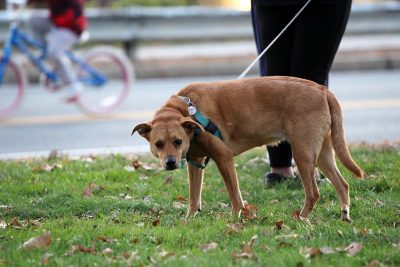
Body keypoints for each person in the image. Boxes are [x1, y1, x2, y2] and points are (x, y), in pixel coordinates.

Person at [250, 0, 352, 185]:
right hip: (270, 4)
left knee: (309, 84)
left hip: (321, 5)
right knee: (273, 82)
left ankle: (311, 169)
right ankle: (279, 170)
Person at [28, 0, 87, 102]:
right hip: (57, 22)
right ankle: (45, 50)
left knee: (54, 53)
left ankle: (74, 86)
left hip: (71, 25)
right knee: (33, 20)